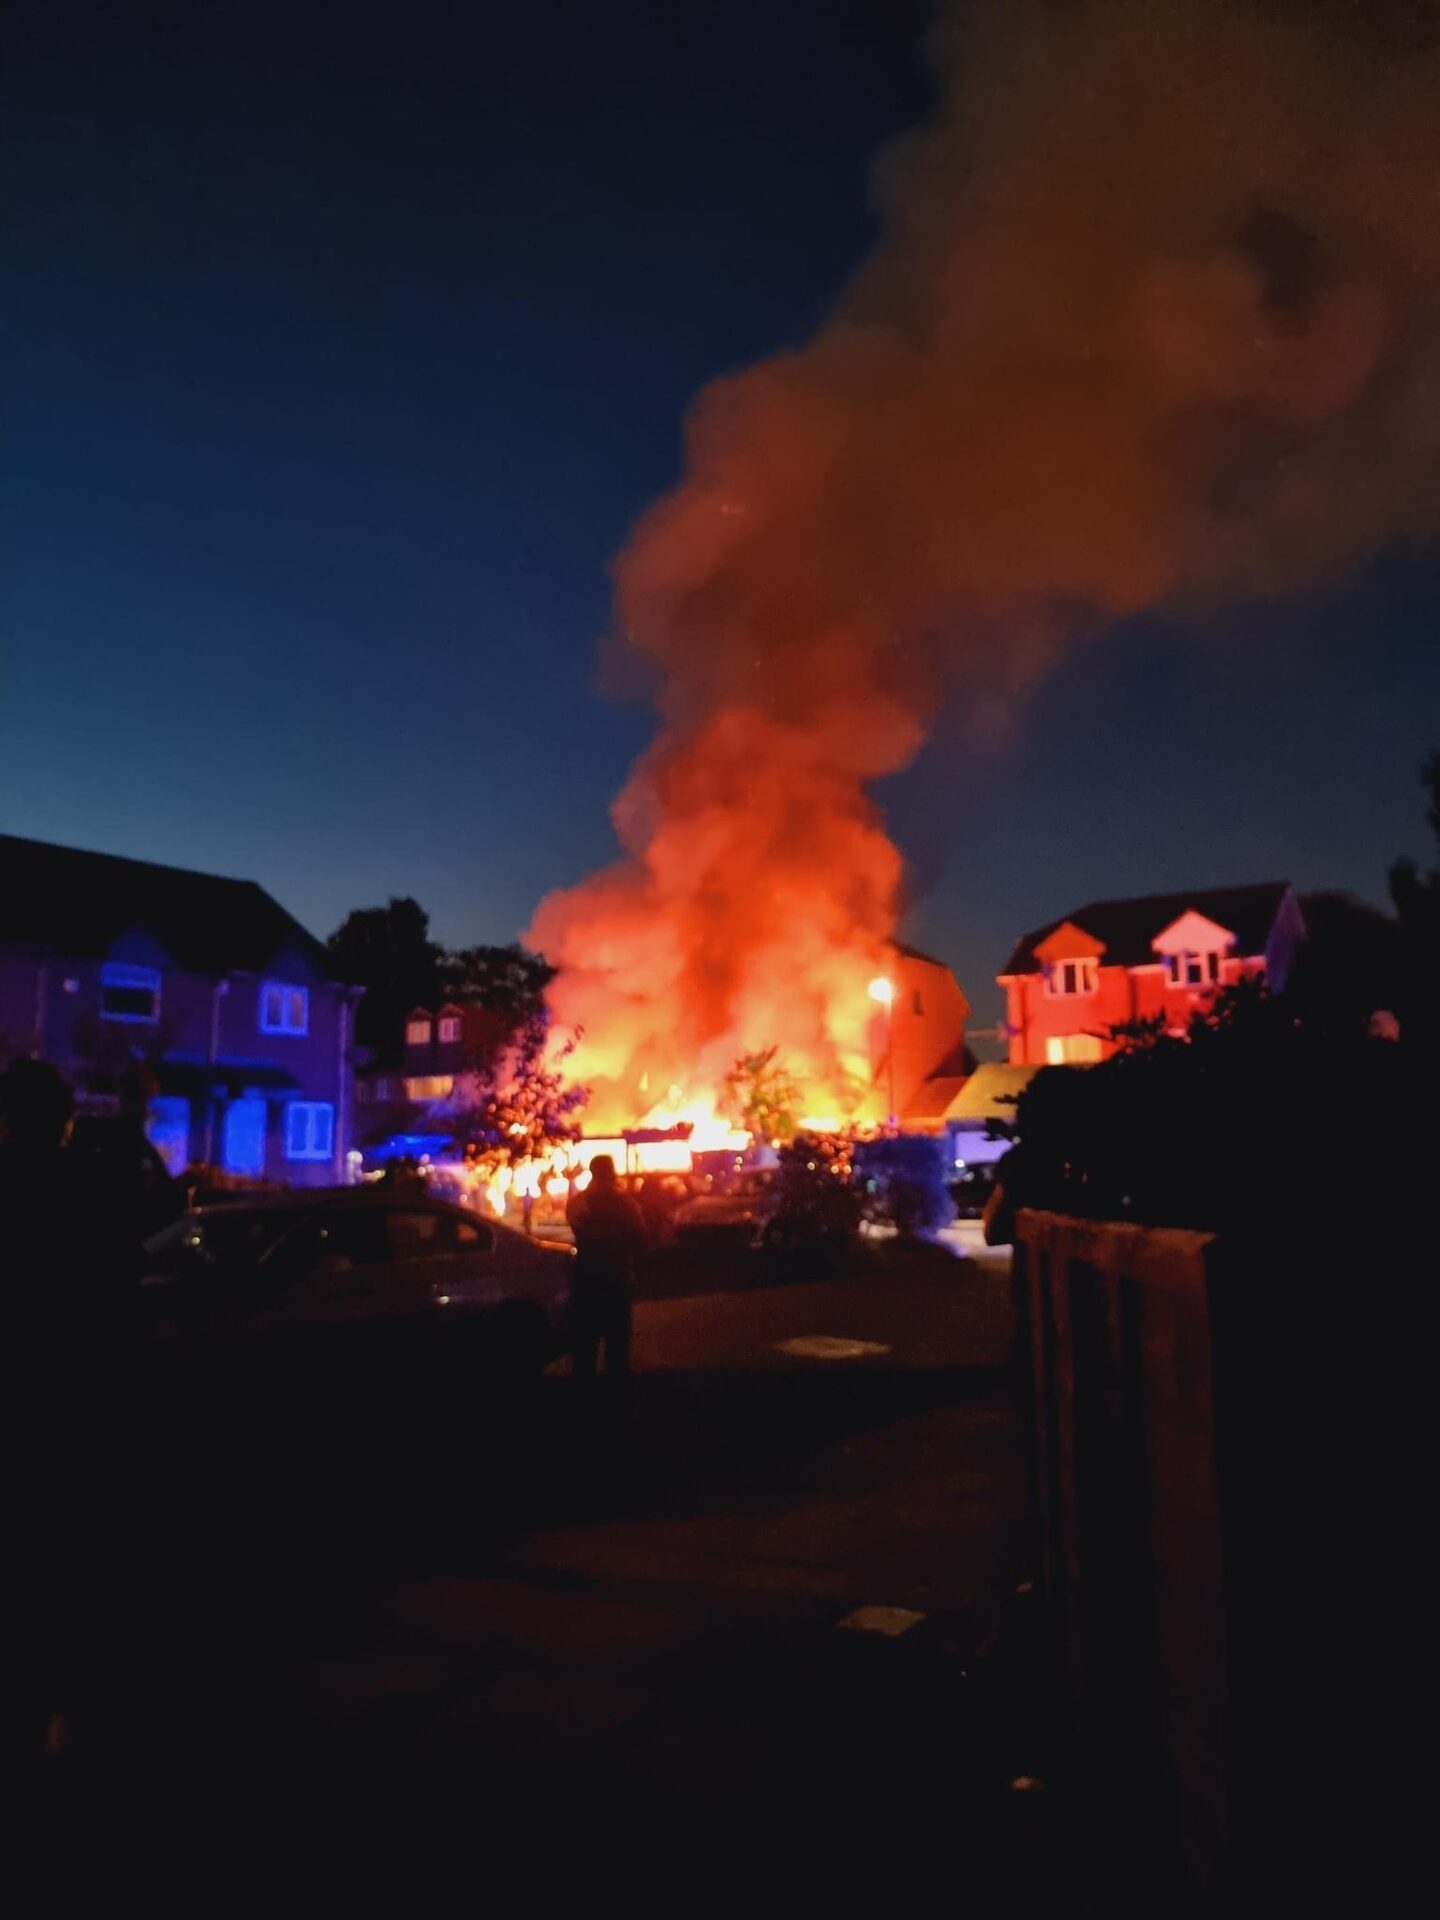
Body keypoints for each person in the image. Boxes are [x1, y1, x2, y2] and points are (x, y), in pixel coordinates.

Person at [565, 1155, 645, 1382]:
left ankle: (584, 1400)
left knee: (585, 1346)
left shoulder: (578, 1202)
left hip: (586, 1278)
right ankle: (618, 1401)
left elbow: (575, 1227)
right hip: (616, 1276)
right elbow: (640, 1237)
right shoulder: (625, 1203)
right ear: (611, 1171)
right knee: (617, 1346)